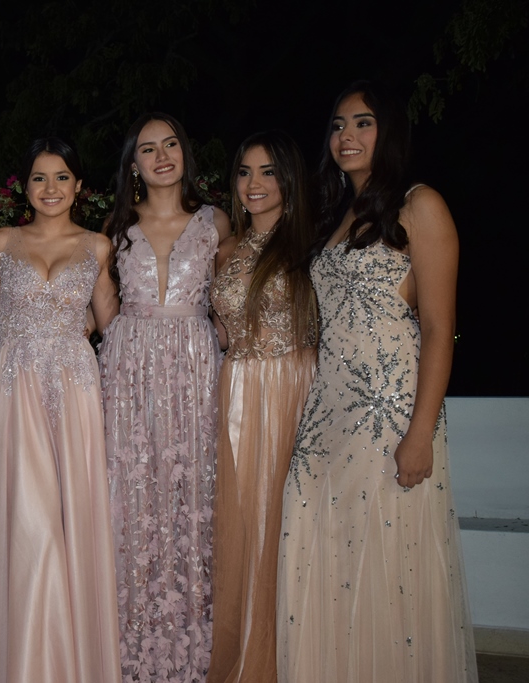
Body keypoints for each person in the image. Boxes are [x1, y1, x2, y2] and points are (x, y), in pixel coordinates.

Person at [277, 81, 477, 682]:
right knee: (319, 546)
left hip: (390, 412)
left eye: (362, 124)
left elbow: (440, 330)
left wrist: (419, 434)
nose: (347, 137)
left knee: (387, 561)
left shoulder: (420, 204)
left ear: (387, 133)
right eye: (338, 126)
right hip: (326, 415)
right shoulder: (338, 214)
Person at [0, 137, 121, 683]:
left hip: (78, 391)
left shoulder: (98, 246)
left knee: (72, 518)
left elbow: (113, 329)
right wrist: (20, 346)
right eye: (39, 177)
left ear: (79, 186)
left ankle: (72, 657)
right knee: (31, 523)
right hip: (17, 393)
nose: (51, 188)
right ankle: (32, 663)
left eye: (62, 177)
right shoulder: (4, 241)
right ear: (25, 186)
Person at [97, 113, 231, 681]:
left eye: (171, 143)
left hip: (196, 373)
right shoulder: (112, 230)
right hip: (128, 374)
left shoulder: (216, 222)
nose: (161, 156)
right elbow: (101, 315)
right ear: (133, 165)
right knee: (131, 500)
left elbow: (234, 302)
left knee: (195, 498)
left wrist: (220, 348)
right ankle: (132, 653)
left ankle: (193, 653)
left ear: (185, 153)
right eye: (147, 149)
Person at [208, 131, 317, 683]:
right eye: (245, 172)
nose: (254, 183)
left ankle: (287, 658)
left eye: (267, 171)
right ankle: (245, 655)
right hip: (236, 390)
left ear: (289, 179)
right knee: (240, 525)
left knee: (285, 524)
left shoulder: (310, 247)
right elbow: (221, 334)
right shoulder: (223, 251)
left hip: (293, 388)